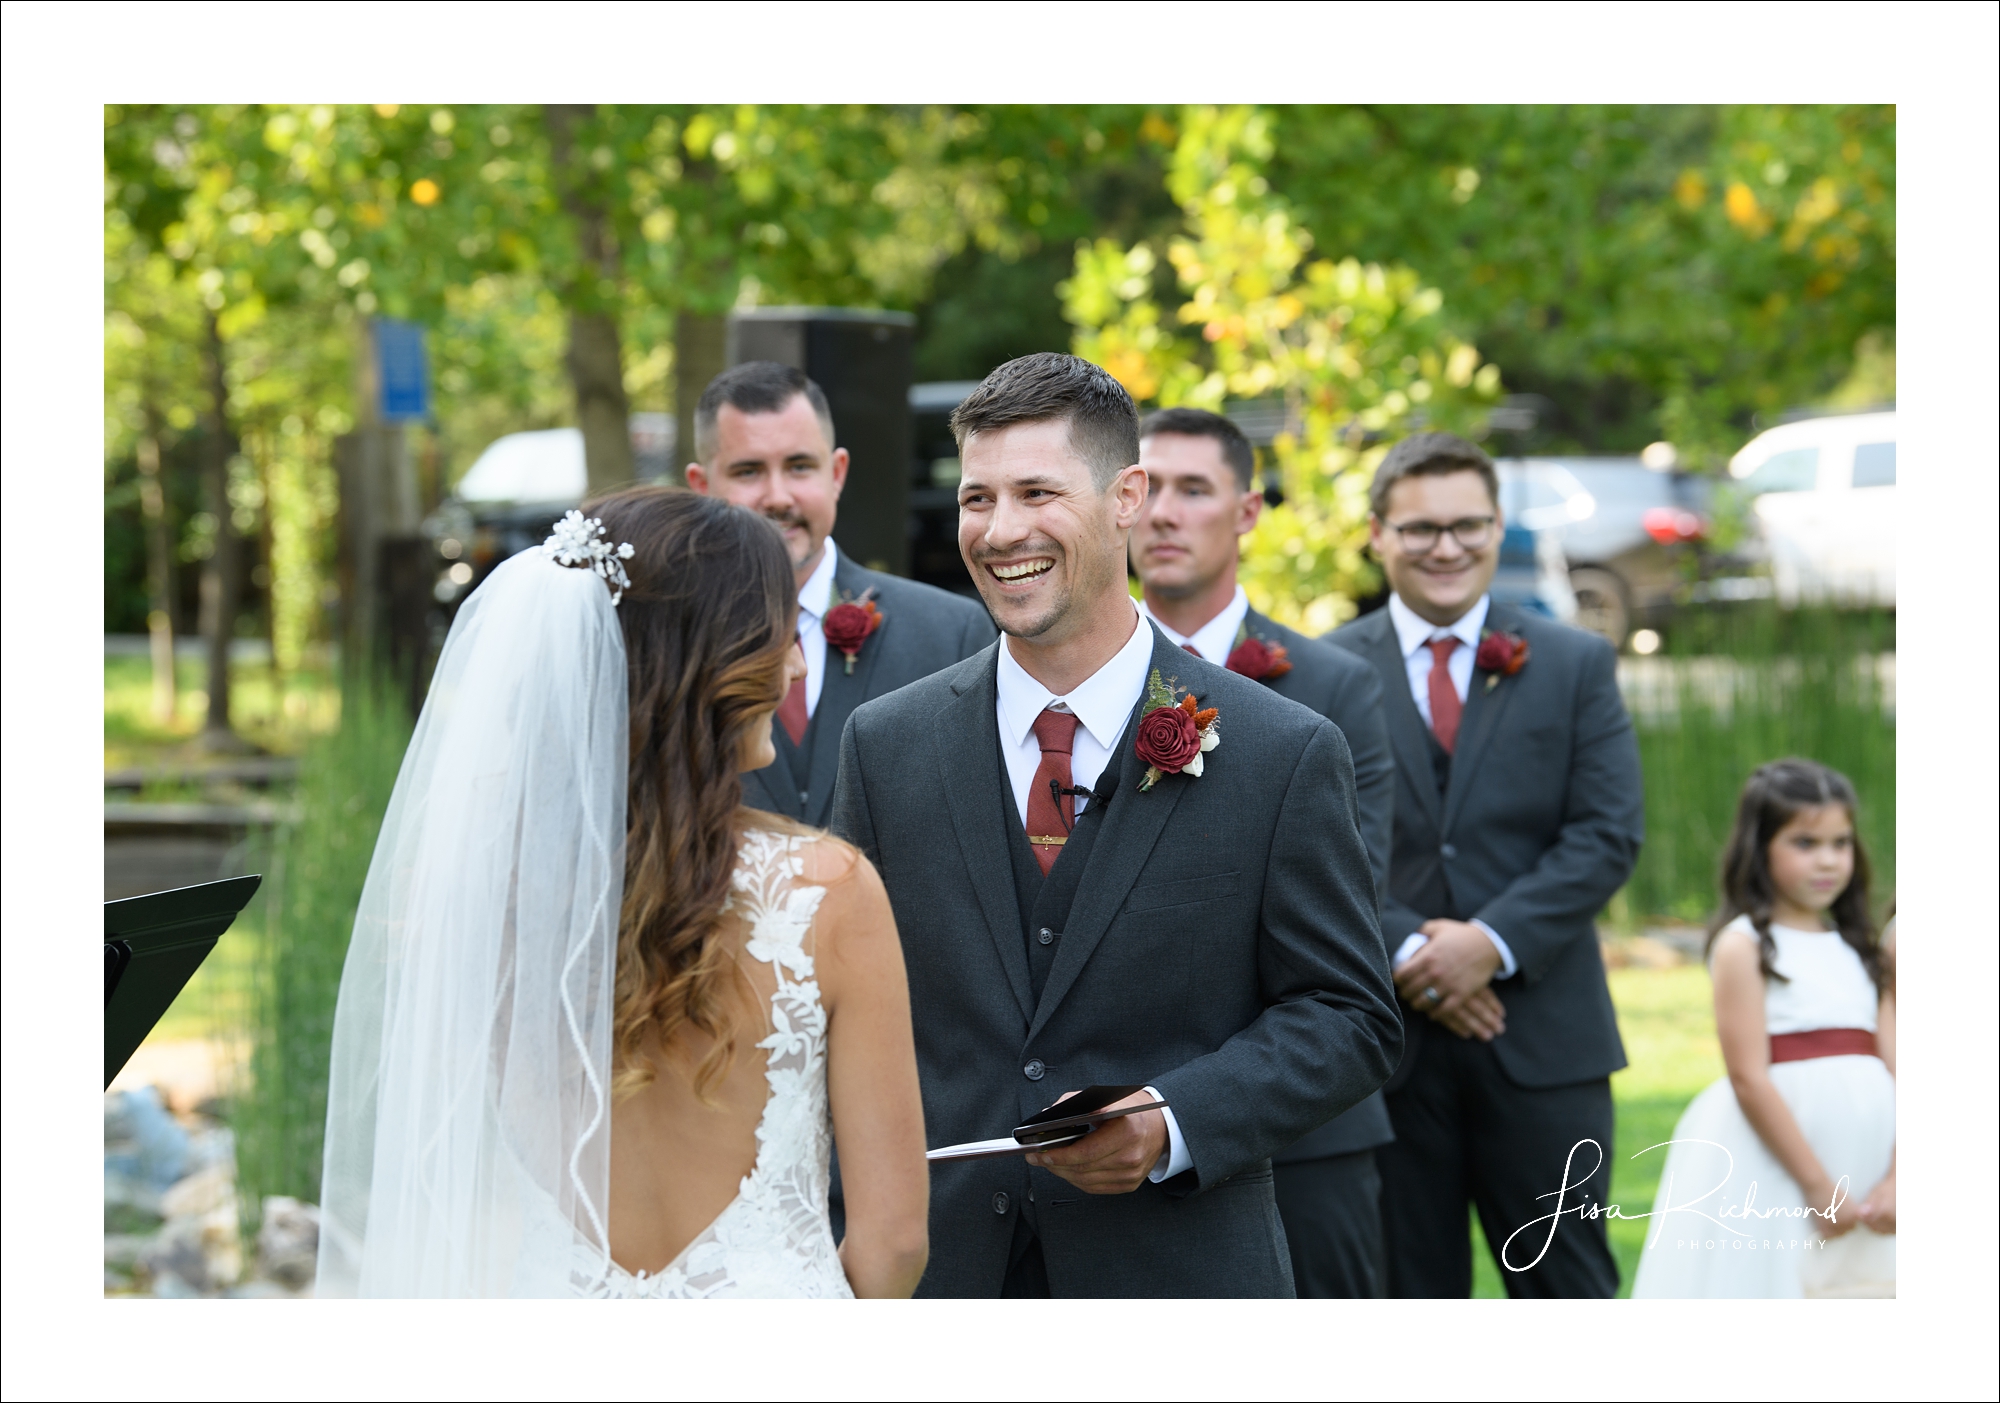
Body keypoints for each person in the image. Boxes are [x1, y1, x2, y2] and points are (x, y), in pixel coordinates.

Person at [830, 353, 1400, 1297]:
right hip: (939, 1282)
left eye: (1037, 492)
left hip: (1176, 1282)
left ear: (1126, 495)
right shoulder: (886, 745)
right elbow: (838, 1015)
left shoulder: (1280, 750)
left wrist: (1173, 1120)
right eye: (978, 499)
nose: (1001, 531)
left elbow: (1349, 1017)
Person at [317, 488, 929, 1297]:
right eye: (777, 637)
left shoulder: (478, 885)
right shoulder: (829, 893)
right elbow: (892, 1241)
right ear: (707, 661)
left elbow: (452, 1179)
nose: (796, 662)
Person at [1326, 430, 1643, 1298]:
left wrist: (1489, 943)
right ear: (1377, 533)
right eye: (1421, 528)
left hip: (1543, 1040)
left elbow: (1607, 832)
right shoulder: (1319, 671)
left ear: (1500, 528)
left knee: (1567, 1289)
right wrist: (1413, 952)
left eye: (1468, 524)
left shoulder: (1575, 662)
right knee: (1403, 1296)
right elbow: (1310, 849)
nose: (1447, 546)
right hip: (1386, 1049)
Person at [1128, 406, 1399, 1298]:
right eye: (1147, 488)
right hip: (1116, 1117)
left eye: (1193, 490)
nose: (1162, 513)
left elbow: (1348, 895)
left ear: (1246, 511)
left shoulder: (1335, 687)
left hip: (1308, 1126)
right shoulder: (1073, 683)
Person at [686, 361, 996, 827]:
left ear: (837, 472)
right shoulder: (668, 642)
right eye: (748, 471)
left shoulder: (949, 632)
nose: (777, 497)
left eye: (799, 467)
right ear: (701, 486)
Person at [1632, 759, 1895, 1298]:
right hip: (1784, 1168)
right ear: (1760, 846)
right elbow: (1749, 1076)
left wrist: (1899, 1174)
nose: (1828, 860)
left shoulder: (1862, 947)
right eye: (1805, 843)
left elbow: (1899, 1065)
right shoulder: (1744, 945)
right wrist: (1818, 1186)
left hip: (1872, 1164)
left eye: (1840, 843)